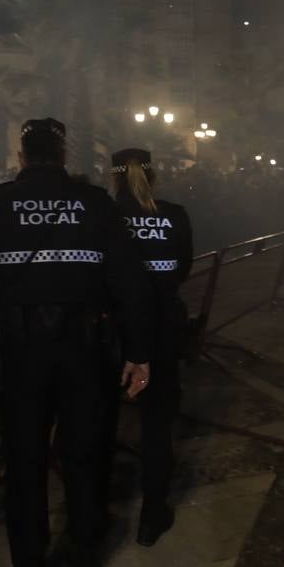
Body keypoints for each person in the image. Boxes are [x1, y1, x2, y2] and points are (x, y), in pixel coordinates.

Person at [0, 118, 154, 567]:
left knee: (26, 467)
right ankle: (84, 566)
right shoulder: (96, 203)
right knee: (84, 457)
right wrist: (138, 353)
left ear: (21, 157)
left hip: (21, 354)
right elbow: (131, 283)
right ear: (62, 156)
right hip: (85, 350)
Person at [107, 148, 193, 546]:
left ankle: (98, 516)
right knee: (157, 426)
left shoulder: (105, 216)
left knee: (97, 423)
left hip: (114, 333)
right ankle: (151, 516)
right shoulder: (174, 215)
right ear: (153, 177)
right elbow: (183, 268)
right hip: (162, 332)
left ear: (114, 178)